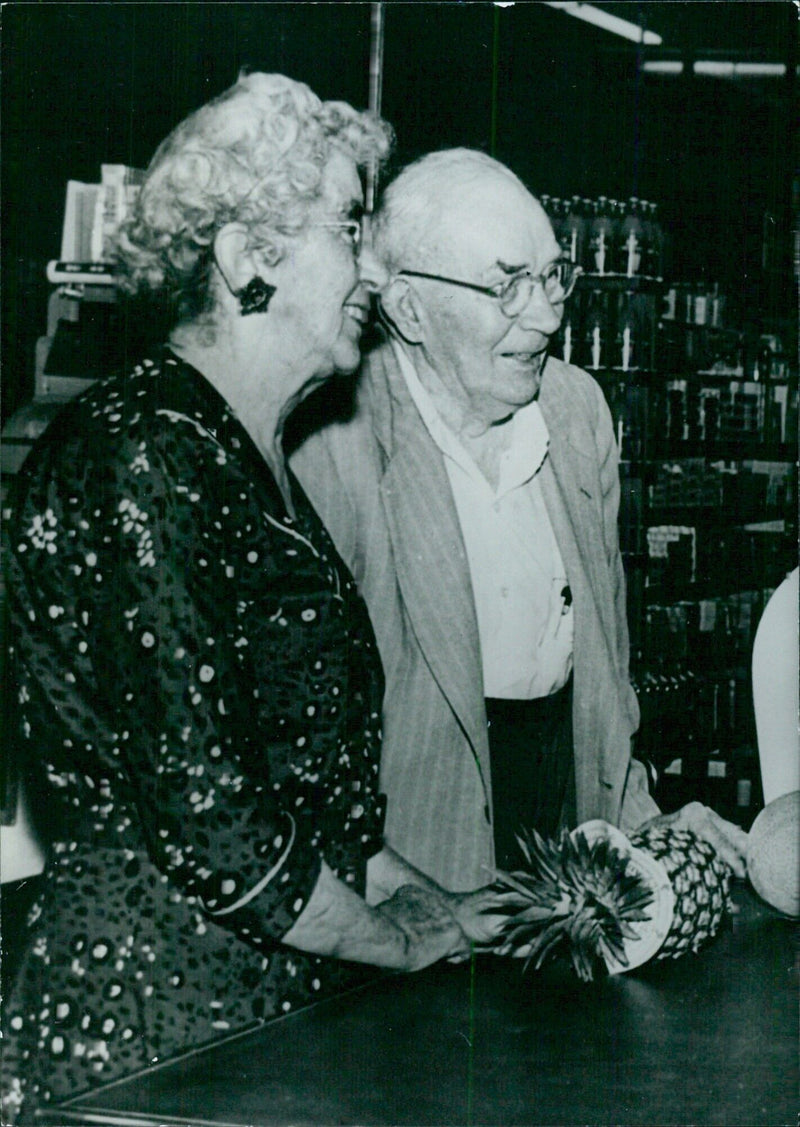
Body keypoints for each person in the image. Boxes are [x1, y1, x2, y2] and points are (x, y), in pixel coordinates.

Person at [1, 82, 500, 1124]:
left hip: (259, 1008)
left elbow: (308, 792)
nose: (373, 267)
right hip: (153, 1029)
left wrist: (438, 902)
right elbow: (215, 825)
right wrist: (399, 937)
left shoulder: (242, 454)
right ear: (244, 259)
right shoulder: (143, 454)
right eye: (349, 226)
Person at [292, 148, 749, 889]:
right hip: (407, 869)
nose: (544, 316)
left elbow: (605, 663)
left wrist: (642, 825)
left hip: (568, 856)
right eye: (506, 286)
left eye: (551, 277)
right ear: (408, 308)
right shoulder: (334, 439)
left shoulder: (575, 413)